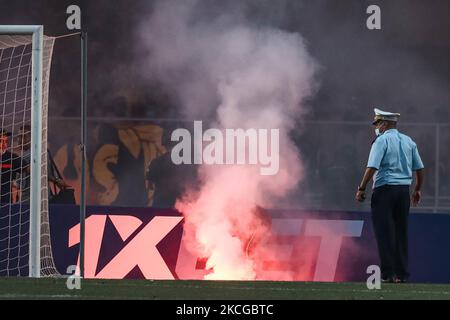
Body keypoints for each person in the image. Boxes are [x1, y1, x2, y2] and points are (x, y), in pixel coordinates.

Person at [355, 108, 424, 283]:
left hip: (385, 190)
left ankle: (389, 273)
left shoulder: (382, 140)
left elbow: (372, 166)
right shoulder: (409, 141)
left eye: (377, 123)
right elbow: (420, 168)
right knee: (401, 232)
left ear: (384, 123)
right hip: (403, 191)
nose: (376, 126)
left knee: (384, 232)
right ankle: (402, 274)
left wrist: (361, 187)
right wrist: (417, 189)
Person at [0, 130, 22, 203]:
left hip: (7, 203)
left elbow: (27, 169)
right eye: (1, 141)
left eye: (6, 142)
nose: (4, 145)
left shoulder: (13, 158)